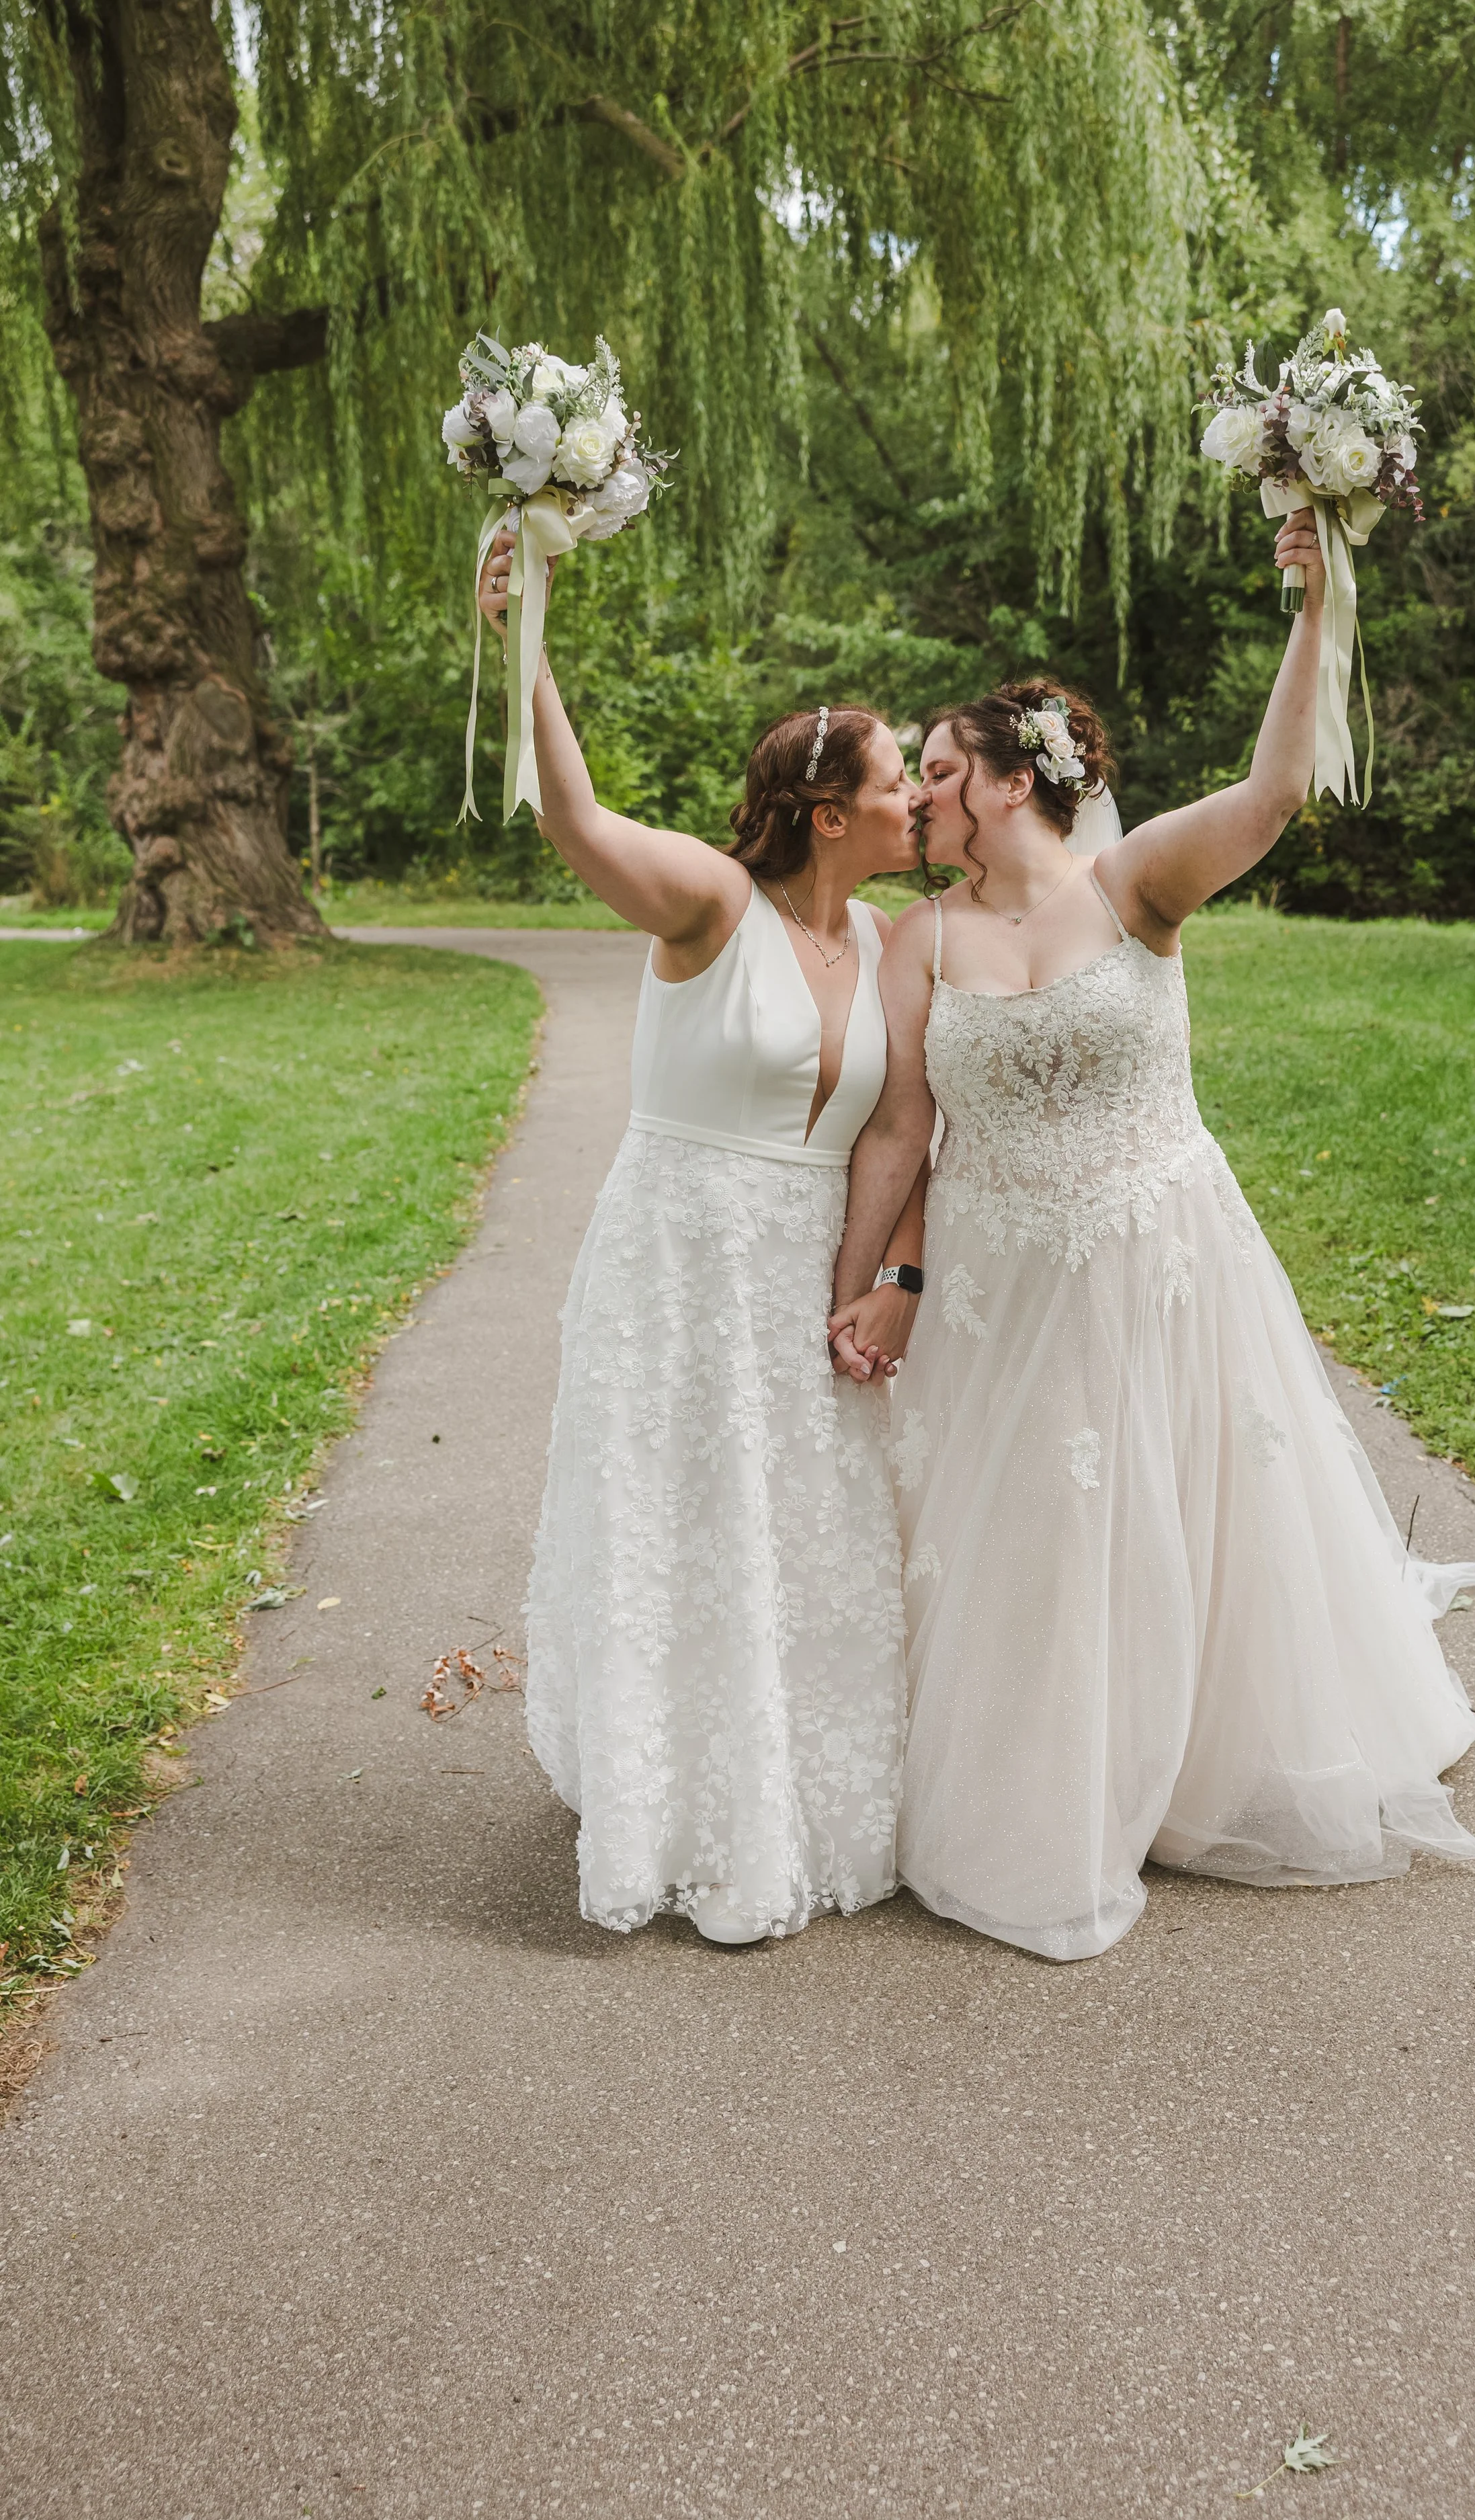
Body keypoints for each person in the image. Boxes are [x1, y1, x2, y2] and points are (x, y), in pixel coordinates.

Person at [827, 511, 1475, 1962]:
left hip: (1156, 1253)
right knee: (1026, 1538)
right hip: (1000, 1285)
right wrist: (863, 1287)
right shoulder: (919, 938)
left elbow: (1269, 790)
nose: (920, 801)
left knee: (1173, 1510)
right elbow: (899, 1132)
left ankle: (1191, 1771)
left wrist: (1316, 604)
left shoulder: (1135, 891)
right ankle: (1035, 1777)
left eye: (941, 777)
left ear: (1014, 785)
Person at [476, 533, 925, 1945]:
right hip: (675, 1257)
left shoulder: (886, 940)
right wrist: (523, 647)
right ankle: (666, 1791)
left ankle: (797, 1787)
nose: (914, 796)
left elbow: (903, 1134)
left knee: (802, 1527)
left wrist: (882, 1281)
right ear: (825, 808)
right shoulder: (707, 904)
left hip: (806, 1265)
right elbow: (577, 821)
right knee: (677, 1515)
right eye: (896, 778)